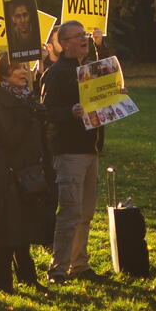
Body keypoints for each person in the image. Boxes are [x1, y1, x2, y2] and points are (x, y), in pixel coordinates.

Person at [40, 21, 110, 283]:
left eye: (84, 35)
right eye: (78, 36)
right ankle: (58, 269)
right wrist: (69, 112)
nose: (84, 39)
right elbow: (45, 111)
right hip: (69, 150)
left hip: (91, 148)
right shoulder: (56, 73)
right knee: (70, 211)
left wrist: (116, 96)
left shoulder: (89, 68)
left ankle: (79, 265)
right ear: (64, 42)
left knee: (86, 212)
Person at [0, 54, 51, 293]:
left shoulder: (25, 100)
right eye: (16, 70)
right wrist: (28, 118)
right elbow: (9, 140)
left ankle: (27, 277)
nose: (24, 73)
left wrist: (40, 118)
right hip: (8, 175)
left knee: (23, 227)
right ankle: (1, 283)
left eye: (24, 68)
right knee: (7, 231)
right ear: (3, 75)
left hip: (28, 172)